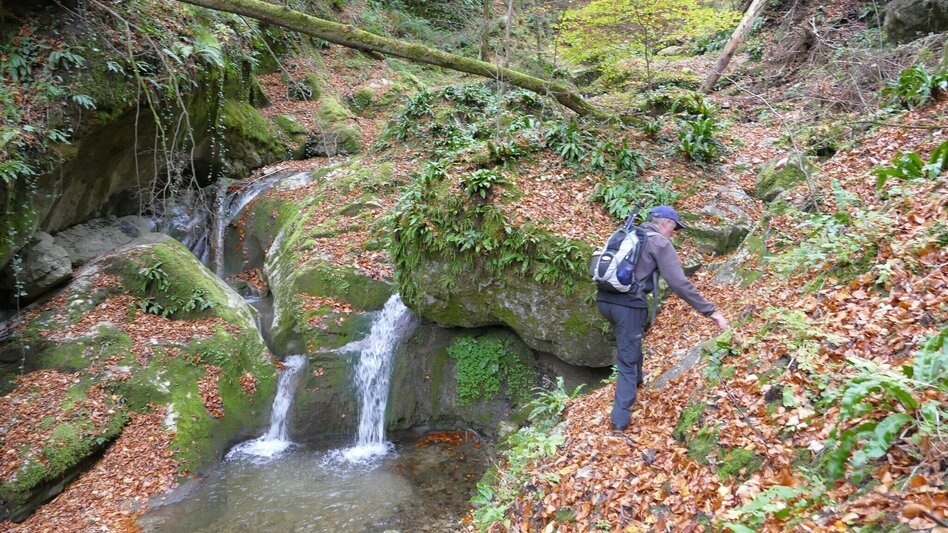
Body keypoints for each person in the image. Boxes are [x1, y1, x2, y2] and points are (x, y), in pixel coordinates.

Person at [596, 205, 729, 431]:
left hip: (604, 301)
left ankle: (637, 382)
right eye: (674, 228)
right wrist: (711, 311)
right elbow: (679, 283)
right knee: (627, 362)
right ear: (665, 223)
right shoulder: (659, 242)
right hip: (628, 306)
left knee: (632, 341)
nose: (673, 233)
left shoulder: (630, 234)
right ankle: (619, 423)